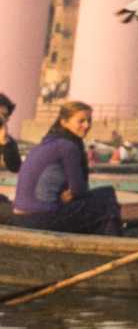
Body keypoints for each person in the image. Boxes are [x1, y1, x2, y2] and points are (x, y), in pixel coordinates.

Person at [11, 101, 125, 236]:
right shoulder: (68, 147)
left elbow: (74, 191)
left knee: (99, 200)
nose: (87, 125)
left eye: (89, 120)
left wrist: (70, 195)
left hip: (22, 213)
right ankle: (112, 242)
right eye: (81, 121)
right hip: (39, 217)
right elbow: (79, 190)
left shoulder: (49, 141)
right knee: (107, 196)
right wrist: (70, 195)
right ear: (64, 122)